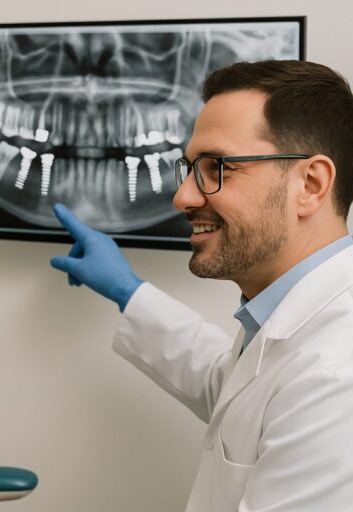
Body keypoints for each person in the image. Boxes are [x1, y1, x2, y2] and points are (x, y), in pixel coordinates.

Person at [50, 60, 353, 511]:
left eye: (217, 167)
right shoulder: (287, 317)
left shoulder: (336, 379)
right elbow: (232, 387)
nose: (183, 197)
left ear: (310, 184)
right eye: (190, 168)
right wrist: (126, 290)